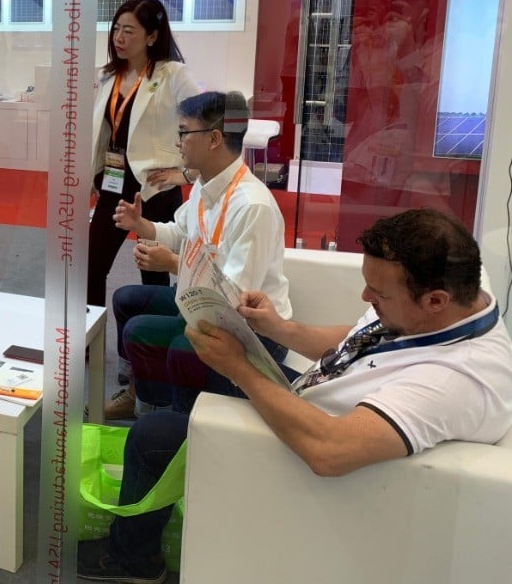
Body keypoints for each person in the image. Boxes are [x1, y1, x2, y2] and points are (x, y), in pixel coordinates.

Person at [78, 208, 512, 584]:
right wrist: (278, 328)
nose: (365, 297)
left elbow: (330, 451)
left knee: (153, 435)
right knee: (196, 355)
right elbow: (357, 338)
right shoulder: (460, 302)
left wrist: (240, 369)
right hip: (313, 394)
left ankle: (133, 558)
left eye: (378, 294)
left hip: (308, 449)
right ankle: (201, 474)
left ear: (435, 300)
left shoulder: (455, 380)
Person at [104, 91, 291, 418]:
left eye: (183, 132)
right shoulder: (207, 185)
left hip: (252, 331)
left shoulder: (253, 206)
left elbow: (236, 298)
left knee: (165, 341)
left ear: (214, 139)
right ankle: (145, 396)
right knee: (127, 300)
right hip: (205, 304)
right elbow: (180, 232)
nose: (178, 143)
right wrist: (142, 225)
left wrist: (173, 264)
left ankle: (178, 420)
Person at [88, 0, 198, 308]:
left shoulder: (173, 74)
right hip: (114, 183)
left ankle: (148, 334)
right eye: (116, 30)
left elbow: (207, 123)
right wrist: (92, 175)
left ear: (152, 37)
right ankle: (90, 333)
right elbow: (104, 131)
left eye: (129, 31)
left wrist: (185, 174)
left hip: (154, 187)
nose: (119, 38)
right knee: (91, 267)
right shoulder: (108, 75)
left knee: (153, 271)